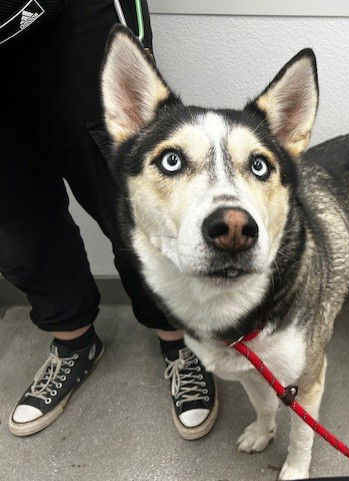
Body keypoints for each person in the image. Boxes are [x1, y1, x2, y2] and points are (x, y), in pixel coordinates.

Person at [0, 0, 218, 439]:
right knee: (12, 210)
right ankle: (73, 341)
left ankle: (180, 343)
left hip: (72, 16)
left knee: (132, 195)